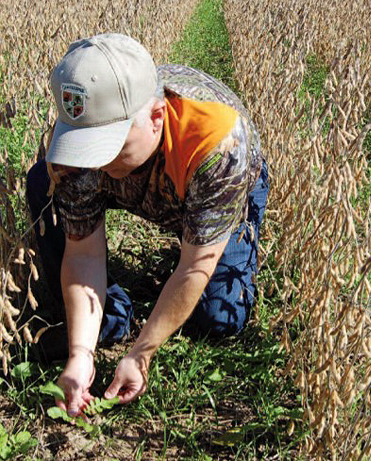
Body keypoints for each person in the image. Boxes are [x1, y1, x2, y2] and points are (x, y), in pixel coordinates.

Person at [26, 33, 269, 417]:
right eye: (86, 146)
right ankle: (109, 316)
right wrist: (80, 355)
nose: (96, 166)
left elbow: (194, 267)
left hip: (207, 185)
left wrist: (142, 354)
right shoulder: (78, 145)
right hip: (164, 175)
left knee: (221, 318)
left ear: (156, 118)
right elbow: (83, 251)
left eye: (109, 148)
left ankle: (205, 235)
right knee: (44, 182)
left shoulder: (219, 146)